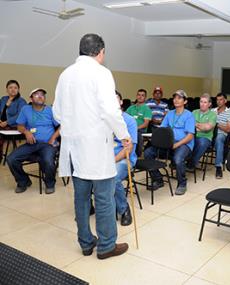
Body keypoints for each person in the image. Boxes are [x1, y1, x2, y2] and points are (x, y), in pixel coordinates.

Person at [53, 33, 131, 260]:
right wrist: (124, 135)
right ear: (100, 52)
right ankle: (106, 246)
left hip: (74, 148)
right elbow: (110, 111)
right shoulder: (101, 72)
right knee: (104, 198)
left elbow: (57, 113)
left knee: (81, 198)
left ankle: (86, 243)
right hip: (96, 147)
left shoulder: (65, 74)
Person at [7, 88, 60, 194]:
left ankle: (50, 183)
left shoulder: (50, 110)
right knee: (11, 159)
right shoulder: (26, 109)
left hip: (47, 144)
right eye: (36, 94)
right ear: (31, 98)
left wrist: (53, 138)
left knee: (48, 161)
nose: (40, 96)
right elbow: (20, 126)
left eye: (42, 95)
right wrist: (26, 132)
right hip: (31, 144)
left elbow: (61, 127)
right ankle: (23, 181)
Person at [144, 90, 195, 195]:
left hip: (183, 144)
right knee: (148, 153)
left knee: (178, 159)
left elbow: (190, 136)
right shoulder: (169, 114)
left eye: (179, 98)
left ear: (185, 101)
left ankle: (182, 183)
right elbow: (162, 129)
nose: (176, 100)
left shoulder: (189, 115)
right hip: (168, 144)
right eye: (175, 98)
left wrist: (177, 144)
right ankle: (158, 179)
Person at [114, 91, 137, 226]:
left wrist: (112, 160)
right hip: (105, 158)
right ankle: (93, 206)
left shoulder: (129, 120)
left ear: (121, 102)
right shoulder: (103, 120)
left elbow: (129, 148)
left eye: (115, 100)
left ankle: (124, 209)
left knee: (113, 176)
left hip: (125, 158)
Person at [187, 93, 216, 170]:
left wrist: (195, 124)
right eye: (201, 102)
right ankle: (180, 161)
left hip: (205, 137)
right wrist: (201, 126)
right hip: (193, 135)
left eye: (205, 102)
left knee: (201, 143)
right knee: (182, 139)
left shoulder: (213, 114)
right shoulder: (194, 112)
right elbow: (188, 124)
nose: (202, 104)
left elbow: (207, 127)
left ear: (209, 104)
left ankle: (191, 163)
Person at [0, 80, 27, 156]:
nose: (13, 89)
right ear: (7, 89)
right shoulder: (3, 99)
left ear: (18, 89)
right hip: (2, 124)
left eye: (15, 88)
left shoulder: (21, 101)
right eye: (10, 87)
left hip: (14, 125)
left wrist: (7, 122)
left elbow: (20, 115)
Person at [212, 92, 230, 179]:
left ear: (225, 101)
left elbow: (228, 129)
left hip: (221, 134)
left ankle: (218, 167)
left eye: (221, 100)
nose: (219, 102)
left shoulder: (229, 113)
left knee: (219, 139)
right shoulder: (212, 111)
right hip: (210, 133)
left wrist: (217, 124)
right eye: (217, 100)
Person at [126, 89, 152, 157]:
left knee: (136, 133)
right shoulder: (131, 107)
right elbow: (124, 118)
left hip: (140, 130)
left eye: (142, 95)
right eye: (138, 95)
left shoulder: (147, 109)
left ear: (145, 97)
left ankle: (136, 154)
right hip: (129, 128)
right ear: (136, 96)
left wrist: (135, 128)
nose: (140, 97)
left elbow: (146, 124)